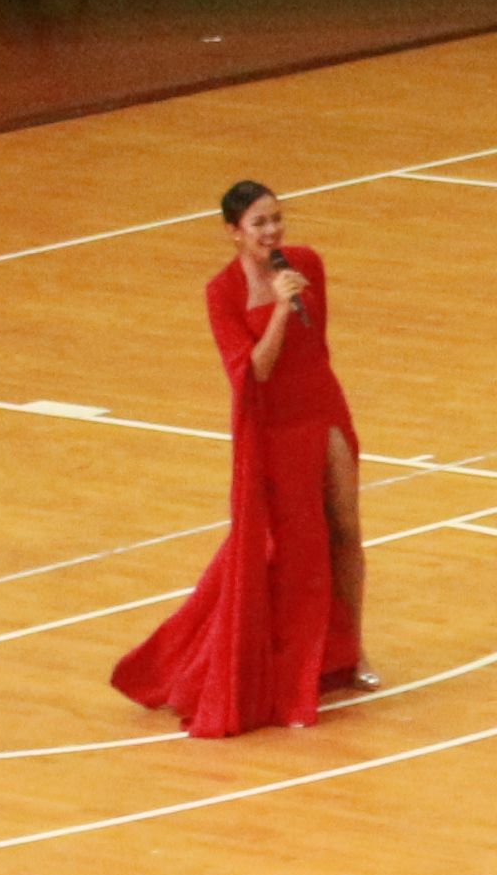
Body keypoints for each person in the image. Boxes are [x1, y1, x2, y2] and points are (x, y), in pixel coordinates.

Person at [110, 178, 368, 736]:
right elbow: (255, 371)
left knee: (346, 528)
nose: (272, 231)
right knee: (295, 546)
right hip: (272, 427)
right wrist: (279, 310)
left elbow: (316, 344)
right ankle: (296, 664)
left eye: (277, 219)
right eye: (259, 223)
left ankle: (353, 652)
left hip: (320, 403)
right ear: (234, 232)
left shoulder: (307, 263)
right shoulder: (221, 292)